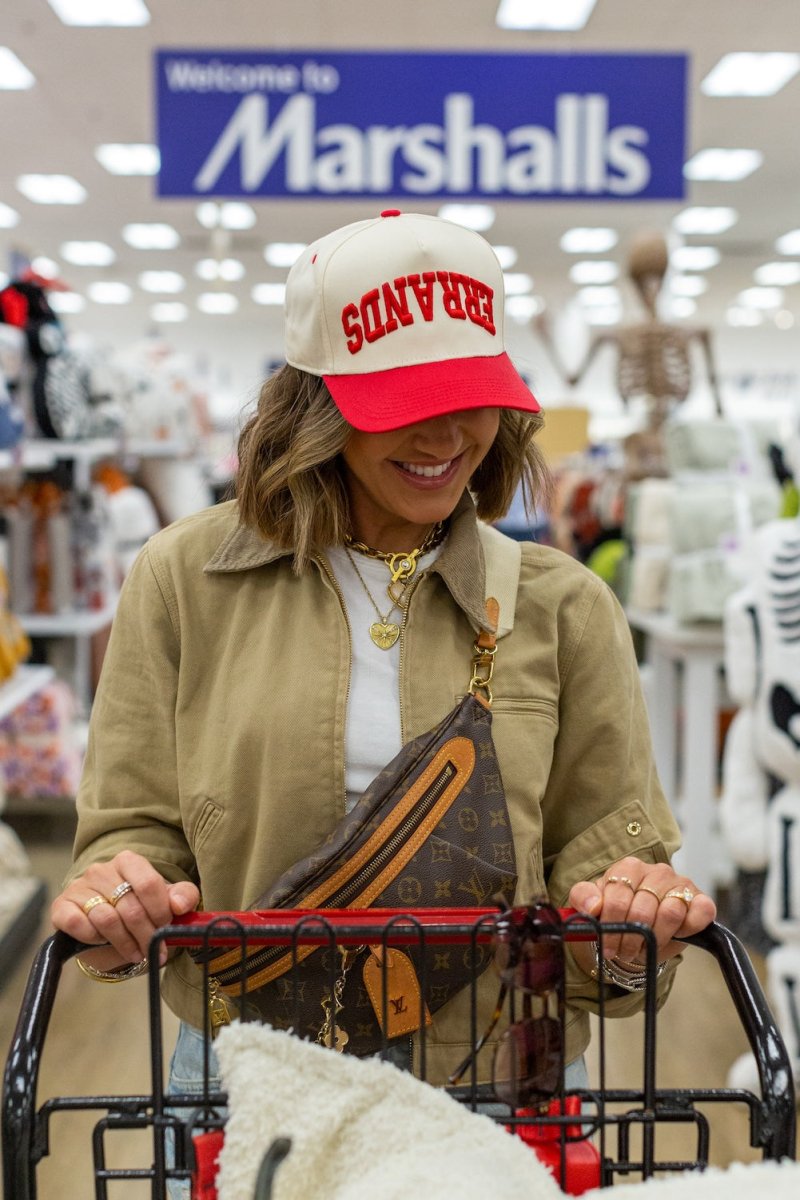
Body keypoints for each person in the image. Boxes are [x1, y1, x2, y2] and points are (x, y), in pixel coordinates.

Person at [51, 210, 715, 1112]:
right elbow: (133, 836)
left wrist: (629, 933)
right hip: (250, 1081)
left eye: (470, 400)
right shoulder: (185, 581)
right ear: (314, 405)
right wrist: (117, 901)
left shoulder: (564, 609)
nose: (445, 440)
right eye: (405, 405)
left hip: (506, 1085)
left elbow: (600, 880)